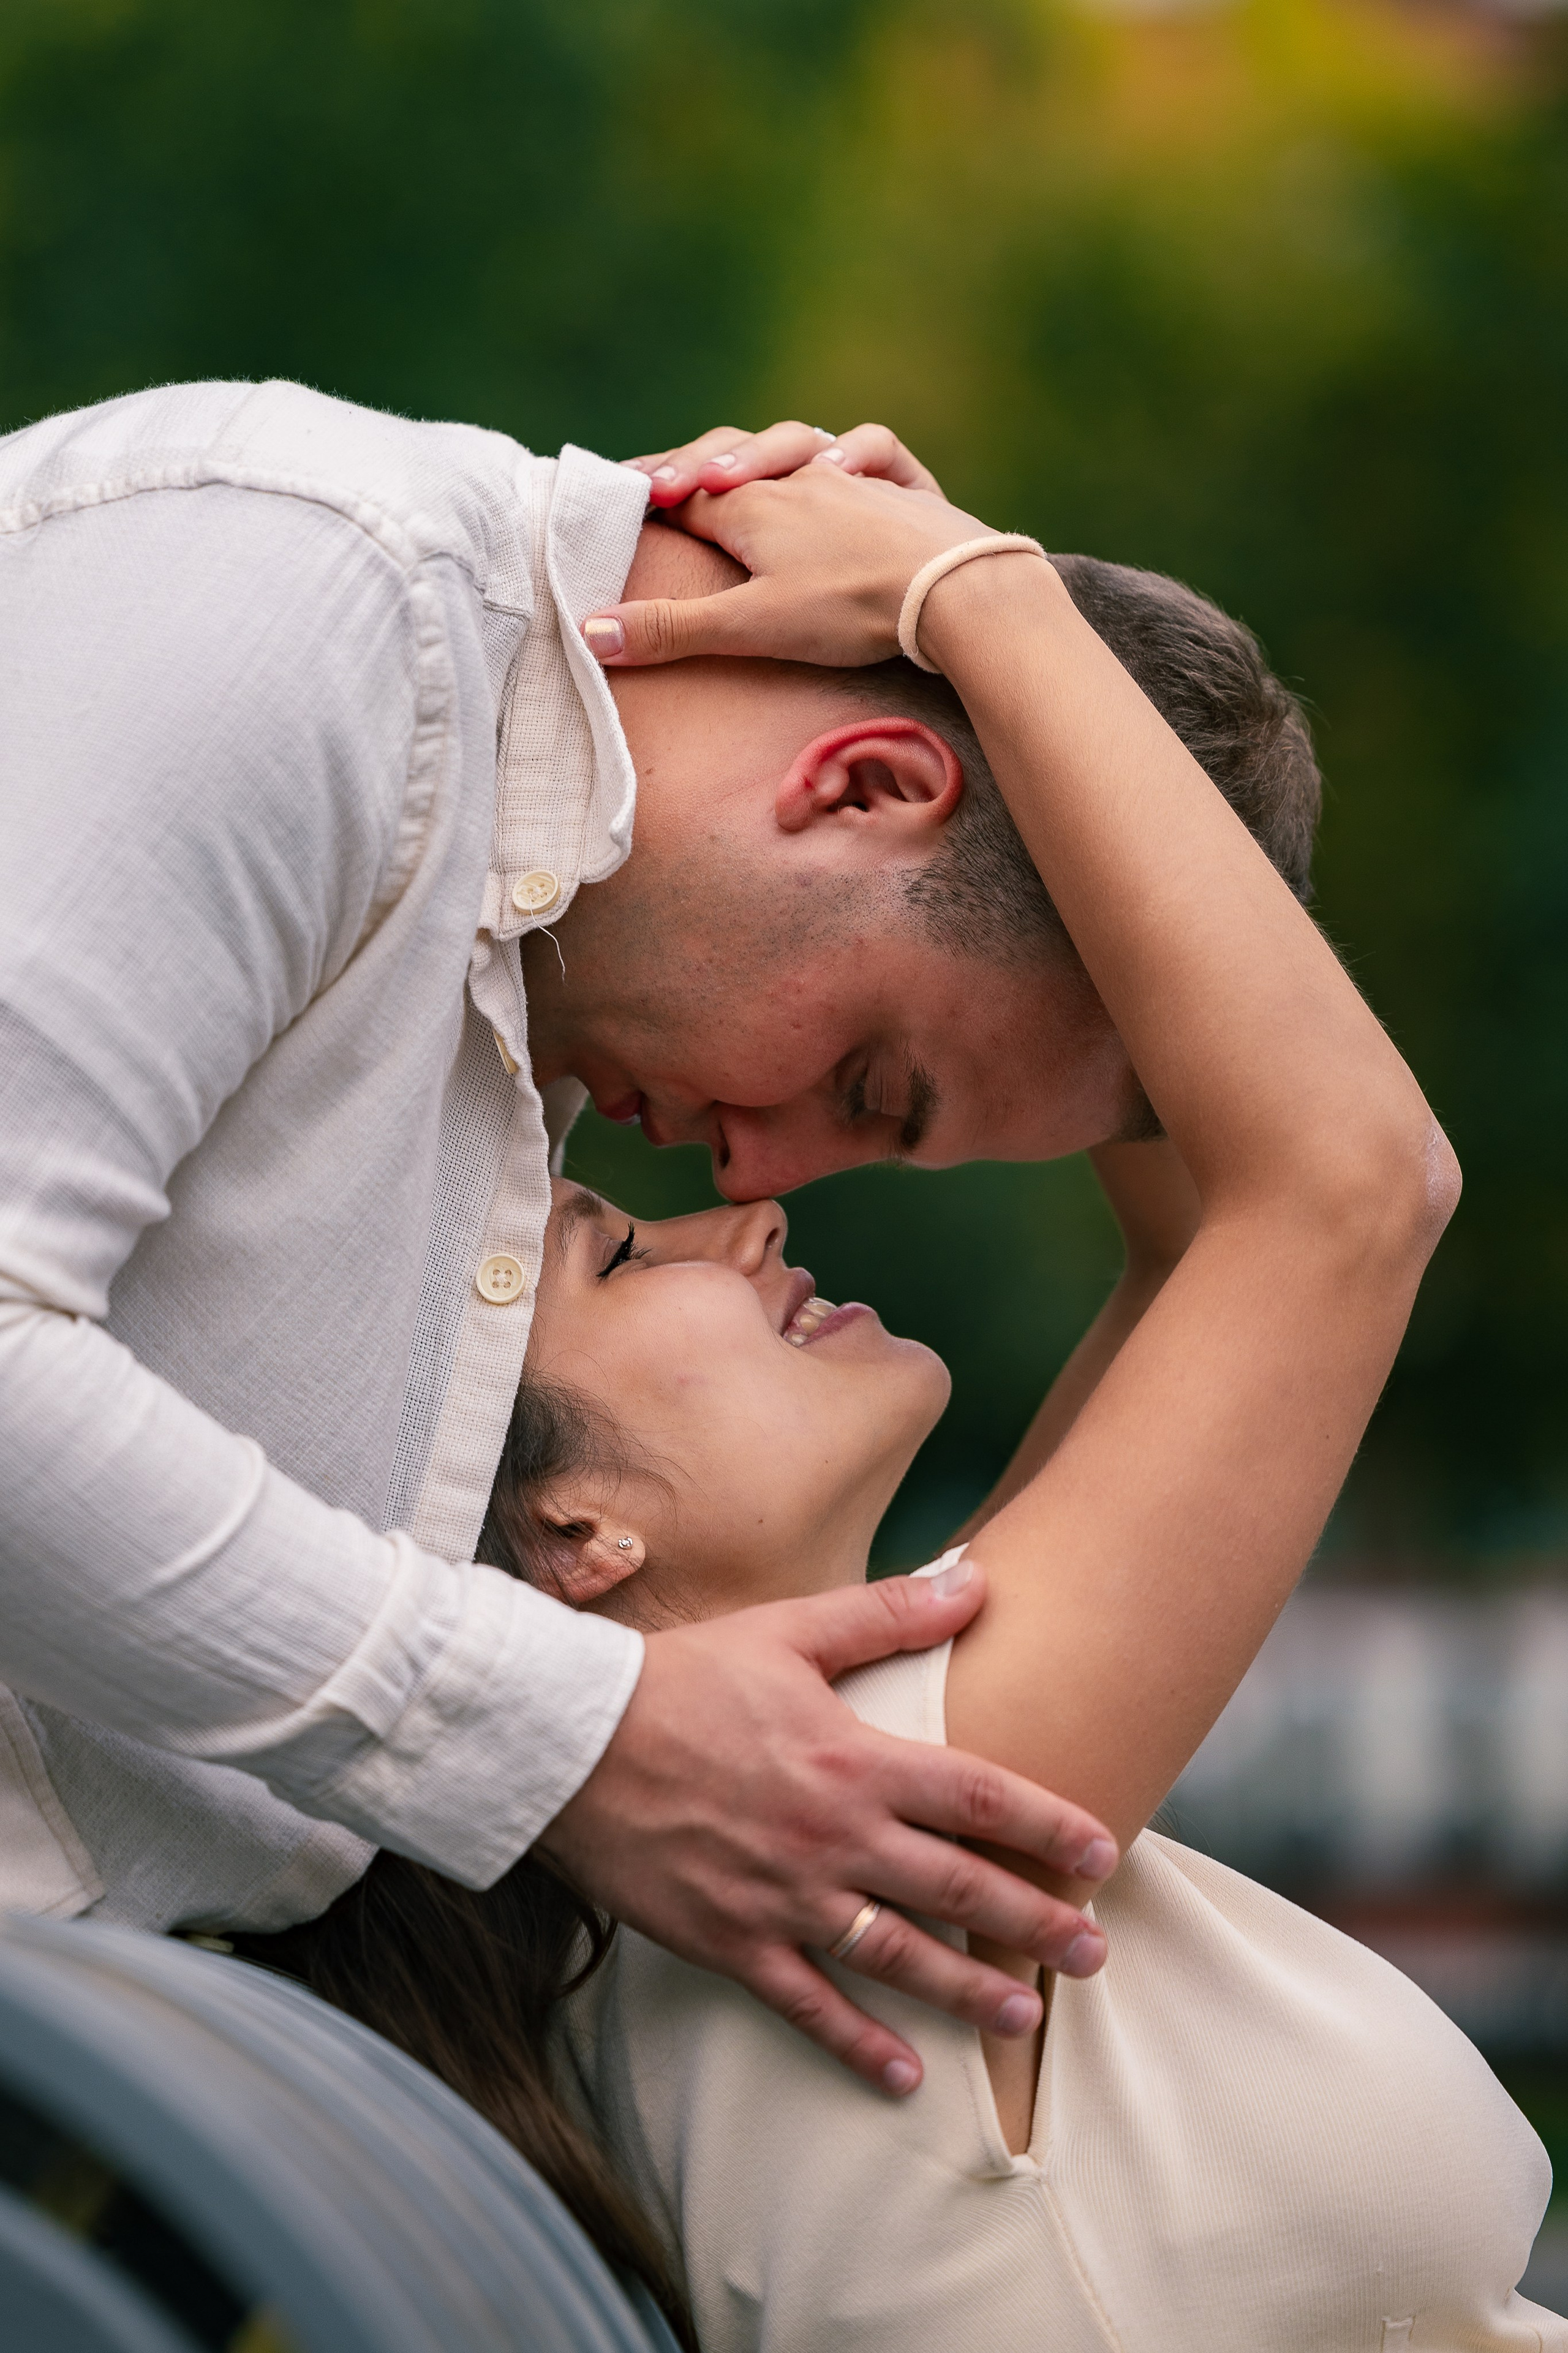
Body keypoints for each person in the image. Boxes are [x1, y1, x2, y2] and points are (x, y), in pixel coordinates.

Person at [245, 466, 1555, 2353]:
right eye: (623, 1256)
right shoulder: (863, 1826)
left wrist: (1017, 739)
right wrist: (976, 601)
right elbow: (1342, 1186)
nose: (751, 1206)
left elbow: (1214, 1212)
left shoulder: (750, 1850)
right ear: (570, 1531)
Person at [0, 389, 1313, 2093]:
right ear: (865, 783)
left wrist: (1001, 627)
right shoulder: (303, 605)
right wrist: (568, 1742)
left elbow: (1248, 1205)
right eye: (867, 1081)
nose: (762, 1174)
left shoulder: (517, 937)